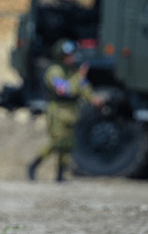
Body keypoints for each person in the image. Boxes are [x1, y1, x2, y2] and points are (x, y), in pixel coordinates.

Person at [28, 39, 97, 182]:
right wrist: (79, 78)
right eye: (68, 55)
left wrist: (93, 98)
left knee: (68, 144)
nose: (72, 58)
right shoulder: (55, 71)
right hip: (58, 112)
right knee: (57, 143)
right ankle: (34, 165)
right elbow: (63, 90)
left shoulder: (73, 71)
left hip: (71, 112)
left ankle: (60, 175)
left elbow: (84, 88)